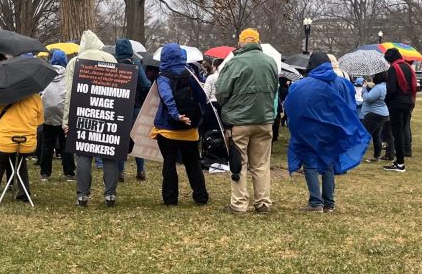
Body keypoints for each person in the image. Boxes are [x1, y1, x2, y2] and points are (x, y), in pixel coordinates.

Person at [284, 52, 370, 213]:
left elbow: (292, 106)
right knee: (328, 163)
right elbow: (350, 107)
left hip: (309, 131)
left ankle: (316, 202)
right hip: (333, 130)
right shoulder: (343, 83)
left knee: (310, 164)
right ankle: (329, 202)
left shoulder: (301, 85)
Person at [215, 28, 278, 214]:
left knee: (238, 163)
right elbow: (274, 89)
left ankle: (239, 204)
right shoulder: (270, 62)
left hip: (238, 122)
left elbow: (221, 92)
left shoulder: (234, 63)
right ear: (258, 42)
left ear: (241, 43)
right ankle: (263, 202)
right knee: (261, 164)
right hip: (264, 120)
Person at [63, 30, 120, 207]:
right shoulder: (110, 60)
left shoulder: (74, 62)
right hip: (108, 111)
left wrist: (67, 121)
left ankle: (82, 195)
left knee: (83, 155)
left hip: (82, 113)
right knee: (109, 154)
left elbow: (69, 93)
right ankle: (110, 194)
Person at [151, 43, 210, 206]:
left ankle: (170, 199)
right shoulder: (191, 73)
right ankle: (201, 196)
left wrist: (176, 115)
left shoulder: (163, 76)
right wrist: (199, 118)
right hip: (189, 128)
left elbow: (166, 96)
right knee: (193, 162)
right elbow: (202, 97)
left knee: (169, 162)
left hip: (167, 127)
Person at [0, 91, 44, 203]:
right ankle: (24, 192)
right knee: (20, 158)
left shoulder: (1, 96)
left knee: (0, 159)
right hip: (27, 145)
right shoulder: (36, 98)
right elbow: (39, 127)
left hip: (3, 144)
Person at [114, 38, 147, 181]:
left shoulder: (113, 64)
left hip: (119, 107)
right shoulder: (136, 63)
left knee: (120, 139)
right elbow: (146, 84)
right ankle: (140, 171)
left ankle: (120, 172)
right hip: (136, 106)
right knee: (137, 138)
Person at [39, 49, 74, 181]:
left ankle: (45, 172)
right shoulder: (68, 75)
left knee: (47, 144)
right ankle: (69, 172)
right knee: (66, 144)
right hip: (63, 114)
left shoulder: (46, 74)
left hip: (47, 114)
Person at [383, 47, 417, 173]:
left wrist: (387, 100)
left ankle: (400, 163)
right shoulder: (408, 67)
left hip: (396, 102)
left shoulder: (393, 68)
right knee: (402, 131)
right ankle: (400, 161)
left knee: (396, 133)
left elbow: (391, 89)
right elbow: (414, 85)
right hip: (408, 101)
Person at [359, 72, 389, 163]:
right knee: (376, 135)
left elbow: (368, 98)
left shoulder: (379, 87)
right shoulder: (385, 86)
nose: (372, 77)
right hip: (382, 114)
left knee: (364, 135)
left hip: (373, 114)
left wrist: (364, 89)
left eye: (374, 76)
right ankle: (377, 157)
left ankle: (357, 155)